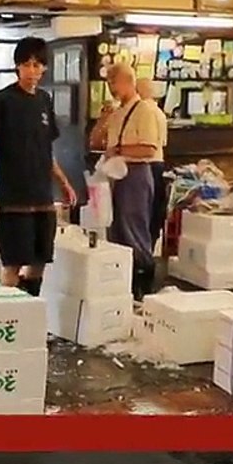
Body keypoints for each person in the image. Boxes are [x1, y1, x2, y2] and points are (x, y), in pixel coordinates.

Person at [0, 36, 77, 296]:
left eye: (37, 65)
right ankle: (9, 317)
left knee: (39, 261)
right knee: (12, 264)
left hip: (43, 197)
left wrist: (63, 182)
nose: (32, 71)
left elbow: (46, 150)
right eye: (26, 65)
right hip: (14, 197)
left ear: (44, 68)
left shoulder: (44, 100)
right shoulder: (1, 101)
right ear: (17, 67)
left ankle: (29, 310)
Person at [91, 63, 162, 301]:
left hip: (136, 175)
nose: (111, 87)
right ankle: (123, 286)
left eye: (114, 81)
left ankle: (143, 287)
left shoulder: (145, 110)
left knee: (134, 228)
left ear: (128, 81)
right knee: (116, 229)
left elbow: (149, 149)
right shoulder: (117, 112)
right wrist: (103, 121)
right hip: (115, 176)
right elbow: (94, 142)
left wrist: (118, 150)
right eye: (108, 82)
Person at [138, 76, 169, 252]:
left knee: (144, 210)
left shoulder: (143, 111)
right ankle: (150, 246)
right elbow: (163, 142)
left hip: (147, 164)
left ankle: (143, 250)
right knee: (154, 209)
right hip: (159, 162)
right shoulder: (159, 113)